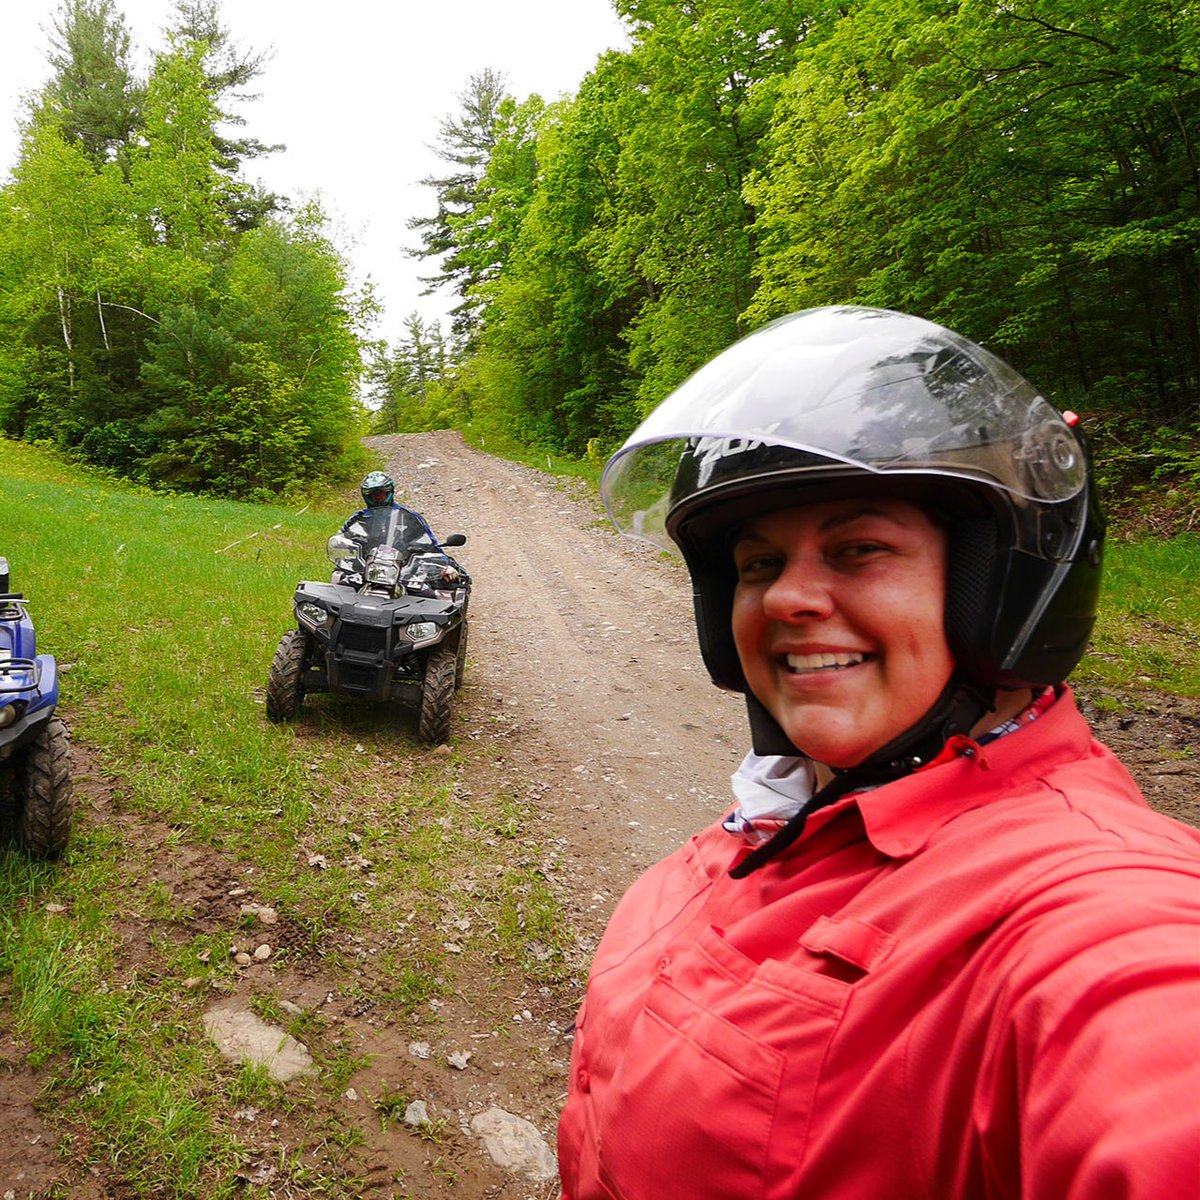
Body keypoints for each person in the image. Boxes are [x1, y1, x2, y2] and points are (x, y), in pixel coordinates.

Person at [556, 306, 1200, 1199]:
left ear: (996, 590)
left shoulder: (1088, 912)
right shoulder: (780, 827)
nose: (788, 597)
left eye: (859, 549)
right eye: (756, 563)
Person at [332, 471, 460, 589]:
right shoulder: (358, 518)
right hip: (365, 567)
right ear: (366, 496)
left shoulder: (410, 517)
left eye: (381, 493)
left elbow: (430, 544)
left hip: (404, 570)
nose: (377, 497)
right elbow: (341, 539)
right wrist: (341, 545)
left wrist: (444, 564)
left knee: (428, 594)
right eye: (373, 494)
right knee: (338, 586)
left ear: (389, 492)